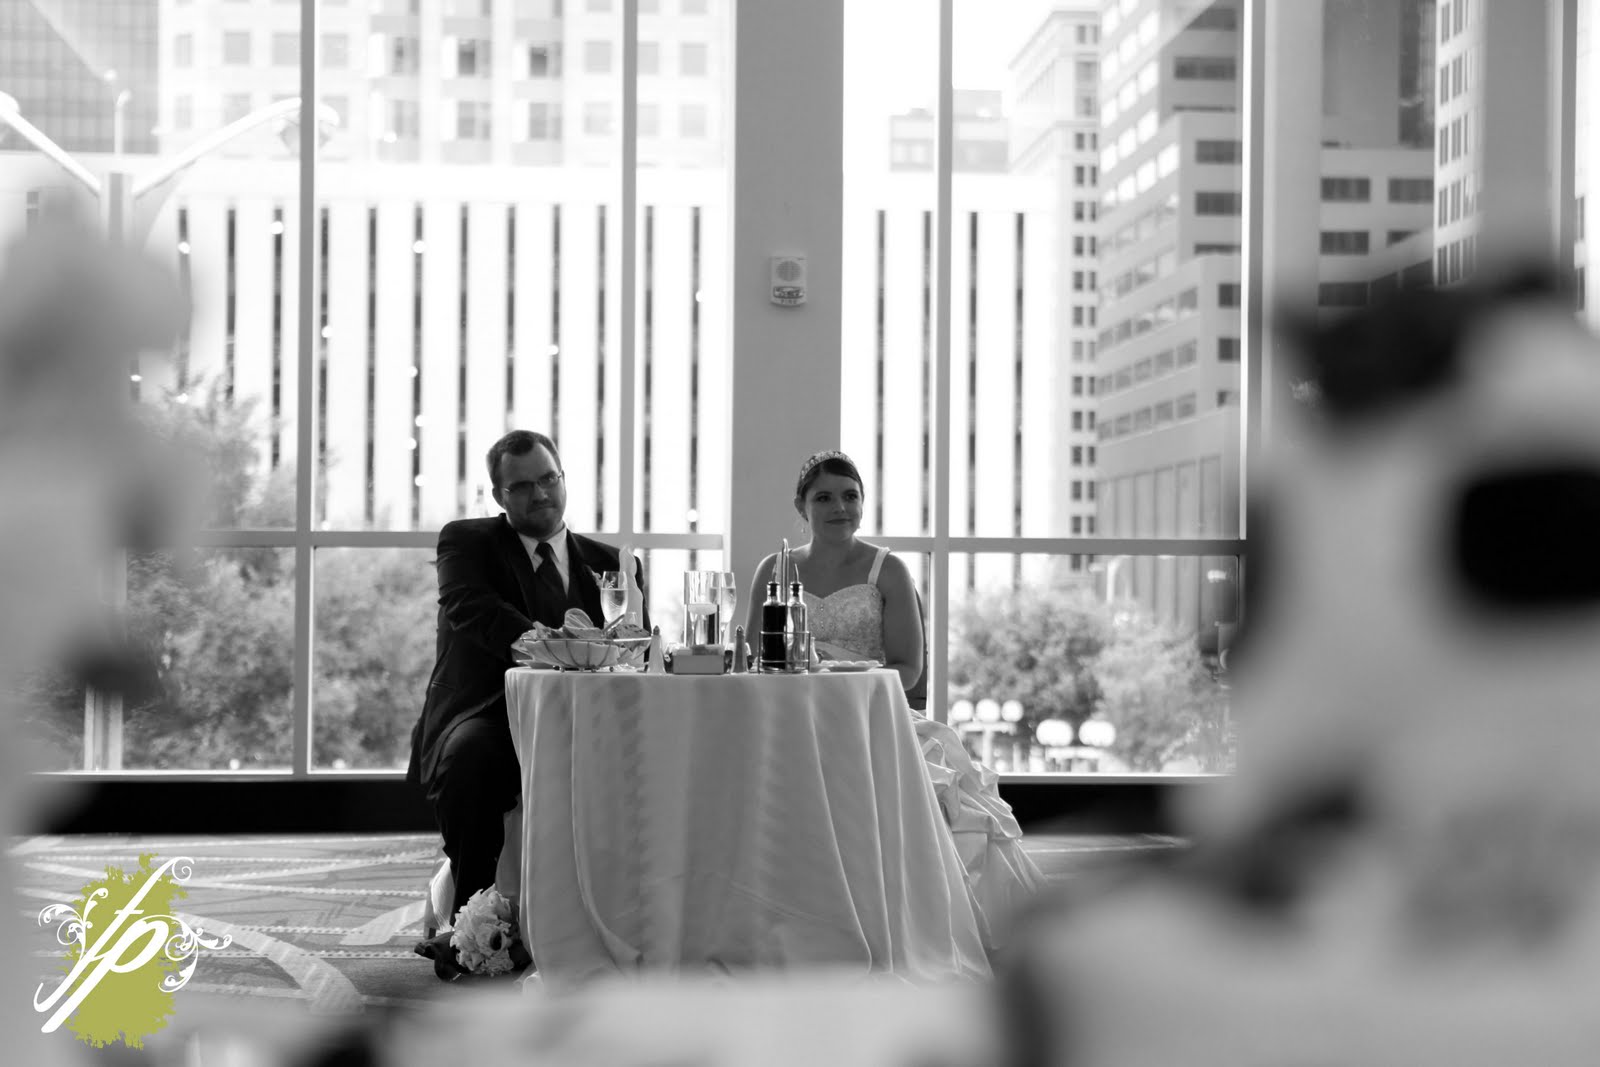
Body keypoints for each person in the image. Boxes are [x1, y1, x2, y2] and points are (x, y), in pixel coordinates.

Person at [745, 450, 1043, 952]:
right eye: (824, 498)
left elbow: (908, 668)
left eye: (850, 496)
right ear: (802, 507)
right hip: (790, 717)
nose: (839, 508)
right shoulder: (772, 569)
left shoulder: (888, 570)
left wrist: (846, 679)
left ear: (863, 503)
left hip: (870, 714)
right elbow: (754, 659)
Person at [406, 430, 648, 948]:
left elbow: (630, 646)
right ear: (499, 495)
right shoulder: (467, 543)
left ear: (563, 479)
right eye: (521, 486)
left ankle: (628, 918)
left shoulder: (613, 563)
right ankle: (471, 929)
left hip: (586, 719)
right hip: (489, 711)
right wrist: (553, 644)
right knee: (471, 759)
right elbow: (474, 609)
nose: (540, 493)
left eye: (548, 479)